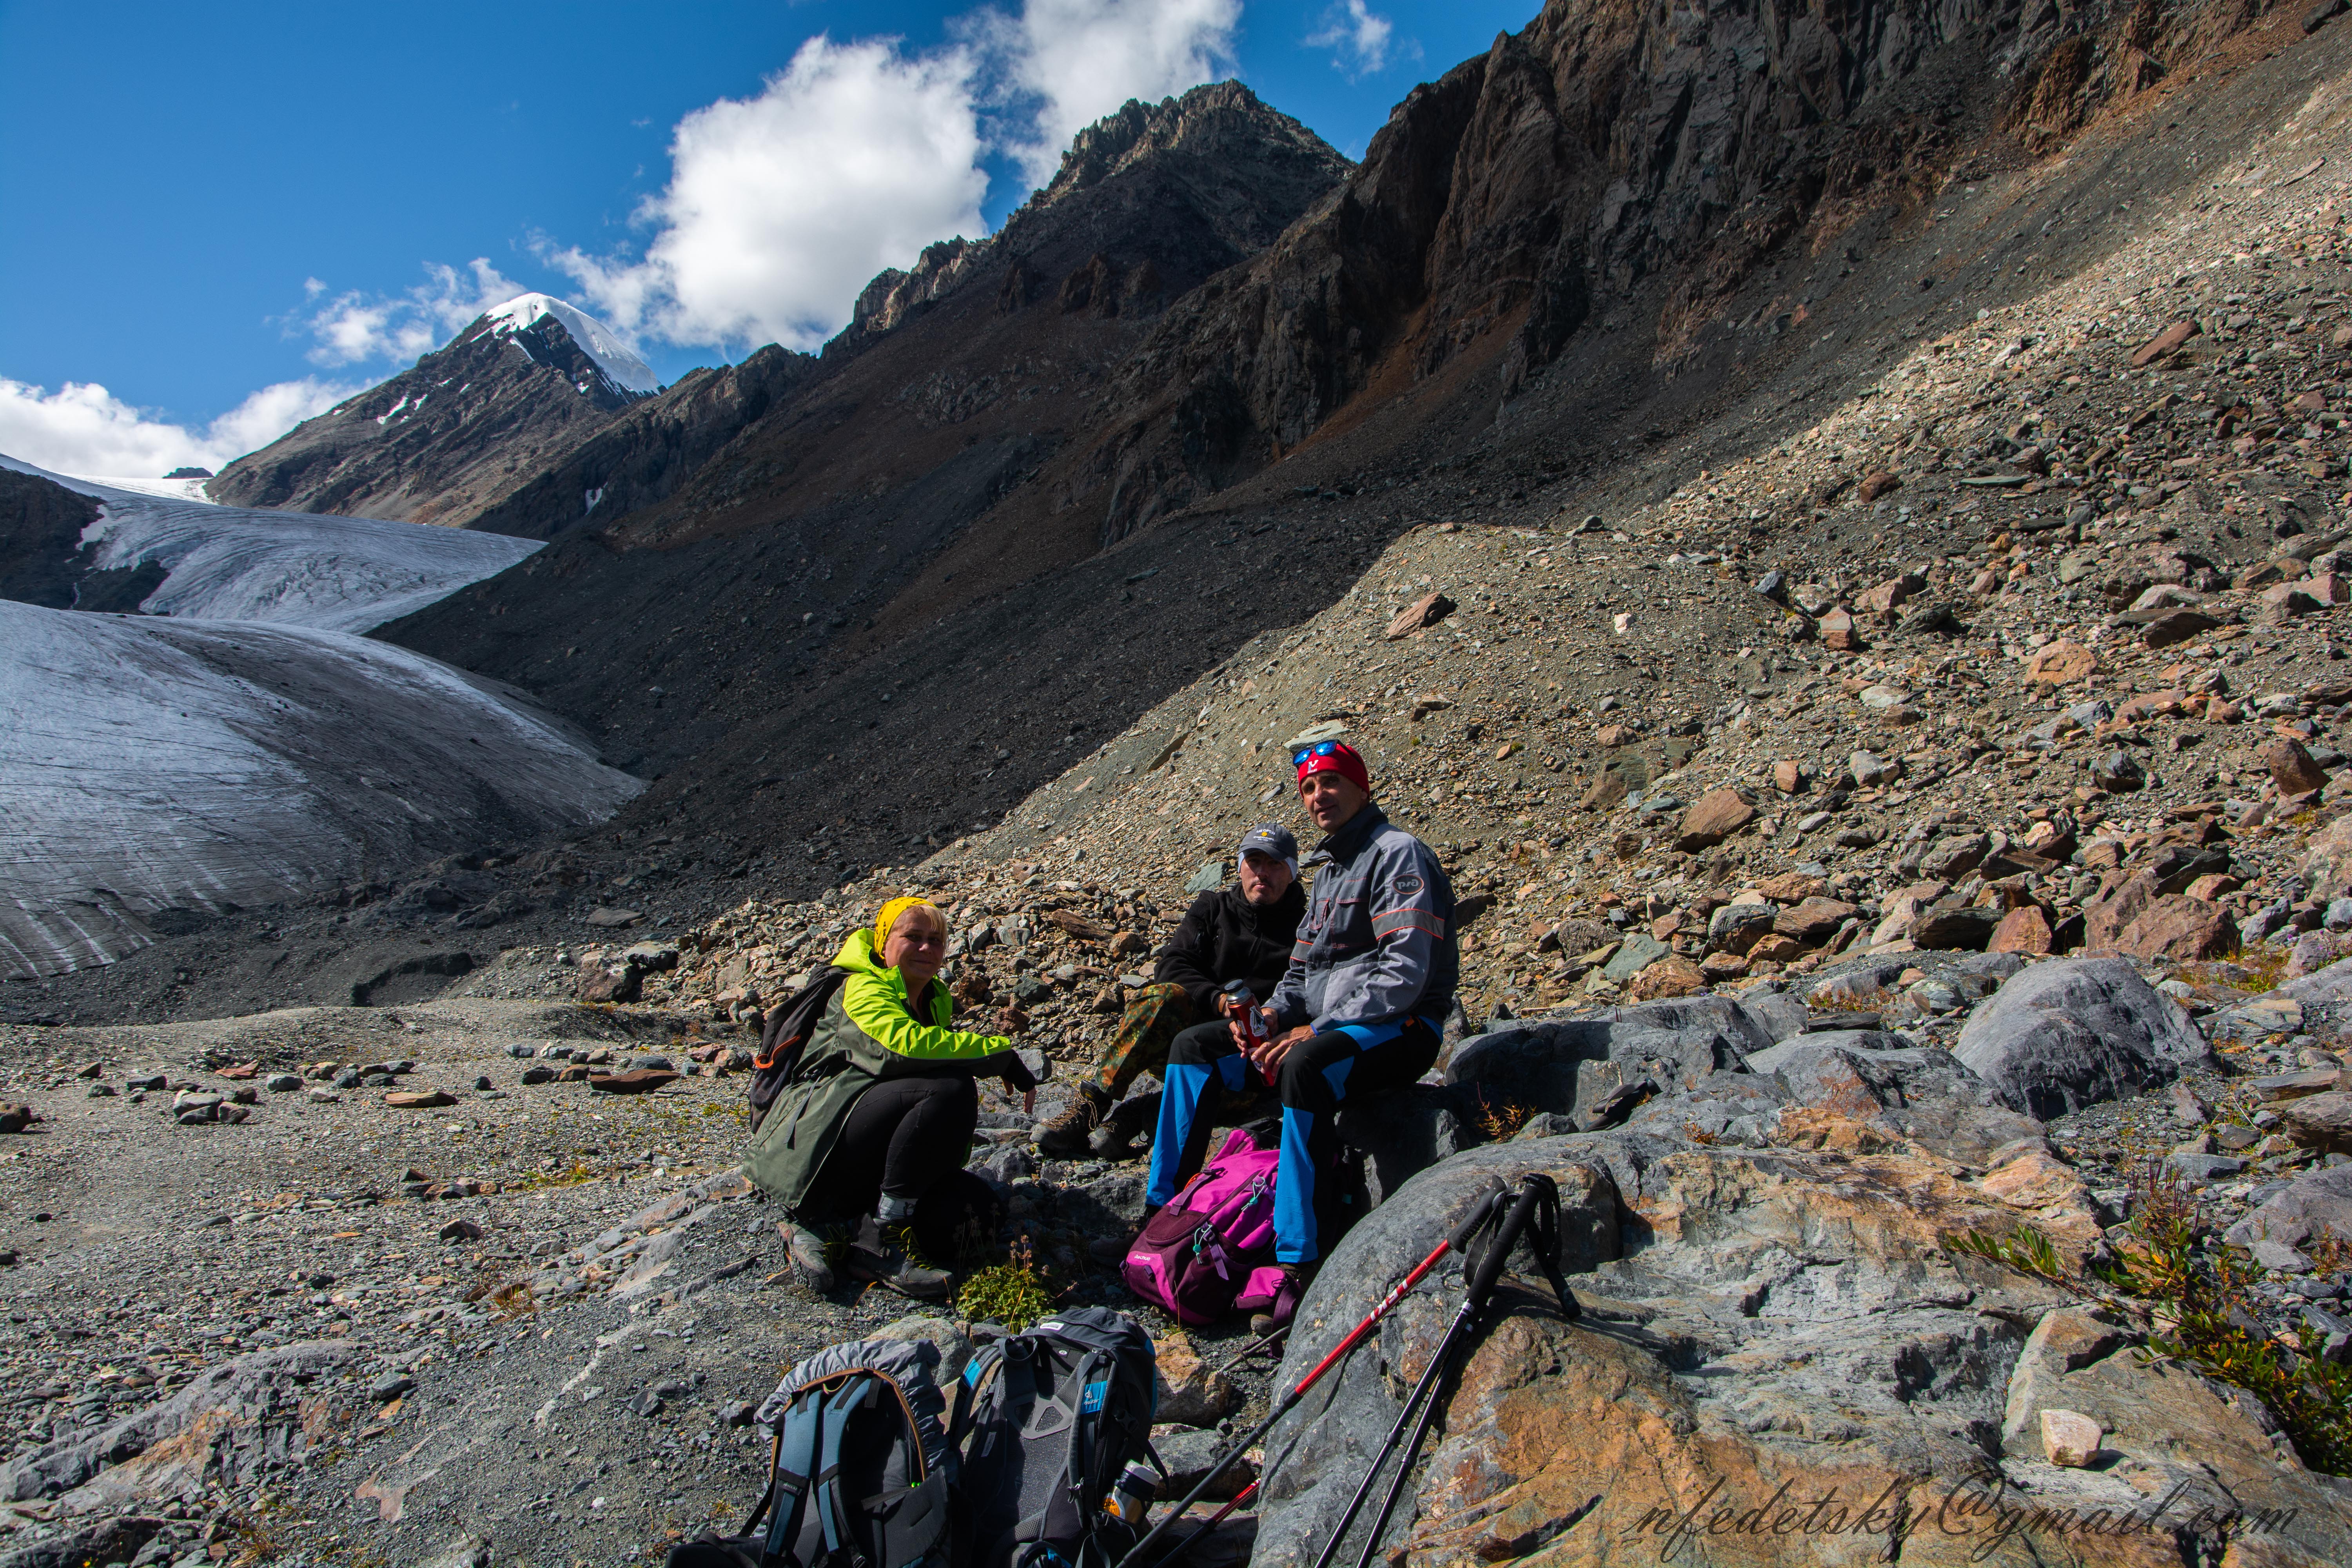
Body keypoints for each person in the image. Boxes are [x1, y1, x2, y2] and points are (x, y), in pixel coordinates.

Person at [1144, 741, 1456, 1333]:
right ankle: (1165, 1213)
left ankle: (1298, 1263)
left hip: (1404, 1027)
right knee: (1196, 1050)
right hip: (1335, 1025)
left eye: (1332, 782)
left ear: (1363, 789)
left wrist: (1316, 1028)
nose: (1319, 796)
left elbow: (1405, 974)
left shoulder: (1398, 855)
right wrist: (1268, 1020)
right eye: (1310, 788)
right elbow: (1300, 974)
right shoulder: (1331, 871)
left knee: (1304, 1067)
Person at [742, 895, 1037, 1299]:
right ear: (884, 943)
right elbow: (899, 1048)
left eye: (936, 940)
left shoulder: (934, 998)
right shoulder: (861, 987)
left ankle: (845, 1227)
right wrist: (998, 1056)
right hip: (823, 1145)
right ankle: (874, 1238)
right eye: (912, 936)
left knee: (977, 1214)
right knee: (951, 1087)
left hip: (867, 1136)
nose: (925, 948)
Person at [1034, 824, 1306, 1158]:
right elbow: (1173, 964)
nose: (1262, 873)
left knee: (1246, 1094)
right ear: (1240, 866)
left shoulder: (1305, 931)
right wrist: (1220, 1001)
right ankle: (1091, 1106)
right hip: (1184, 1033)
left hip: (1242, 1055)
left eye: (1275, 864)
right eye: (1254, 862)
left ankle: (1138, 1113)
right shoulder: (1213, 908)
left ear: (1292, 872)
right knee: (1162, 996)